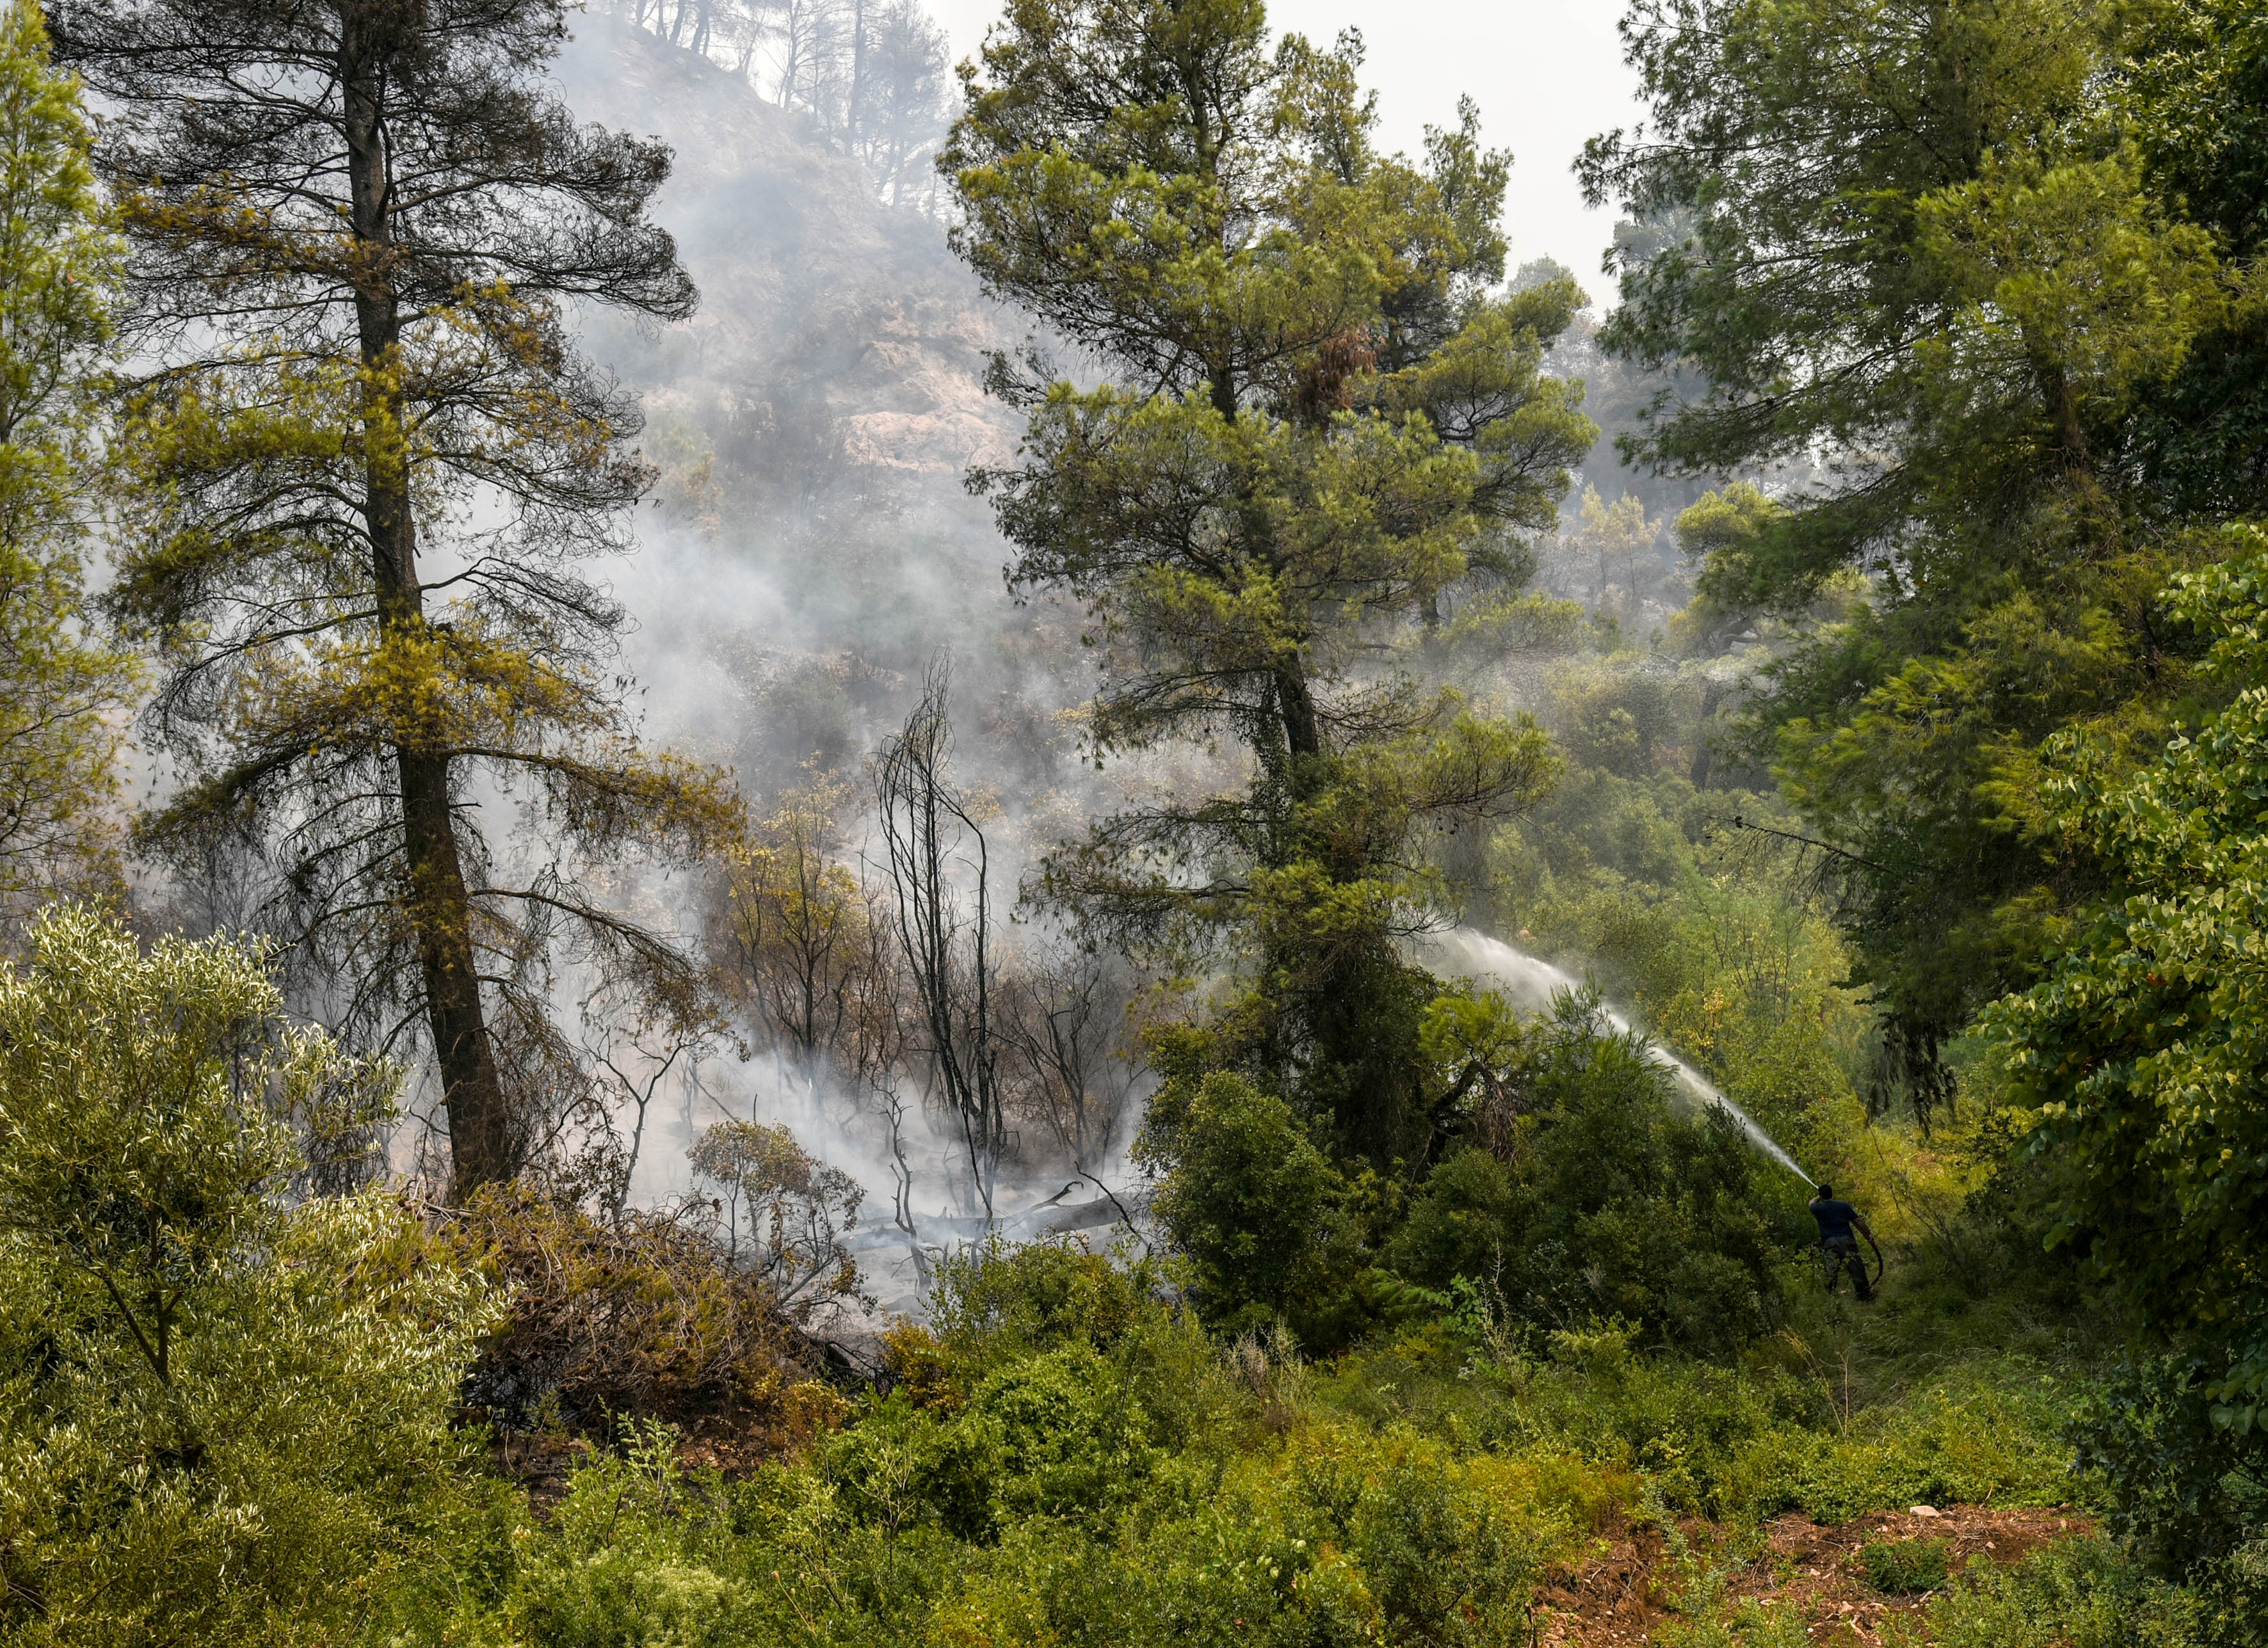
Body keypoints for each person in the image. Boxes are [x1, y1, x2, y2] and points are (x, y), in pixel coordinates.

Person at [1808, 1183, 1876, 1301]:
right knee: (1857, 1269)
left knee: (1831, 1272)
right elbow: (1858, 1221)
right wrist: (1869, 1235)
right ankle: (1865, 1296)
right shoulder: (1844, 1206)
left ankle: (1830, 1300)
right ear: (1832, 1194)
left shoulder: (1818, 1208)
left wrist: (1819, 1196)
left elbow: (1811, 1203)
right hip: (1847, 1241)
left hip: (1830, 1243)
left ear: (1821, 1196)